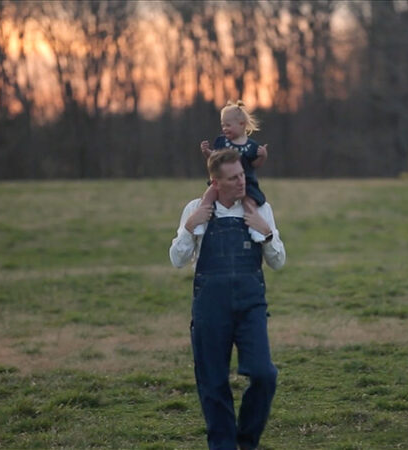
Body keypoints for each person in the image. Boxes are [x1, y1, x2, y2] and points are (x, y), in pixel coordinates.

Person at [169, 149, 286, 450]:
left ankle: (246, 441)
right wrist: (190, 225)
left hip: (250, 306)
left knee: (264, 374)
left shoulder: (260, 209)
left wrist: (266, 233)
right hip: (210, 308)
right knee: (213, 382)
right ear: (215, 182)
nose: (241, 182)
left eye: (243, 175)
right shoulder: (195, 209)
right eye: (233, 178)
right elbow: (177, 259)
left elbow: (278, 262)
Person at [195, 101, 268, 236]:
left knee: (249, 203)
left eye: (228, 125)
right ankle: (199, 223)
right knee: (208, 197)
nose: (224, 128)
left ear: (241, 124)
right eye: (223, 125)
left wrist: (263, 156)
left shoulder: (251, 146)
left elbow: (255, 165)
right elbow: (215, 159)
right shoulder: (222, 142)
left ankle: (255, 229)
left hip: (246, 182)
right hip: (223, 180)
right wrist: (206, 152)